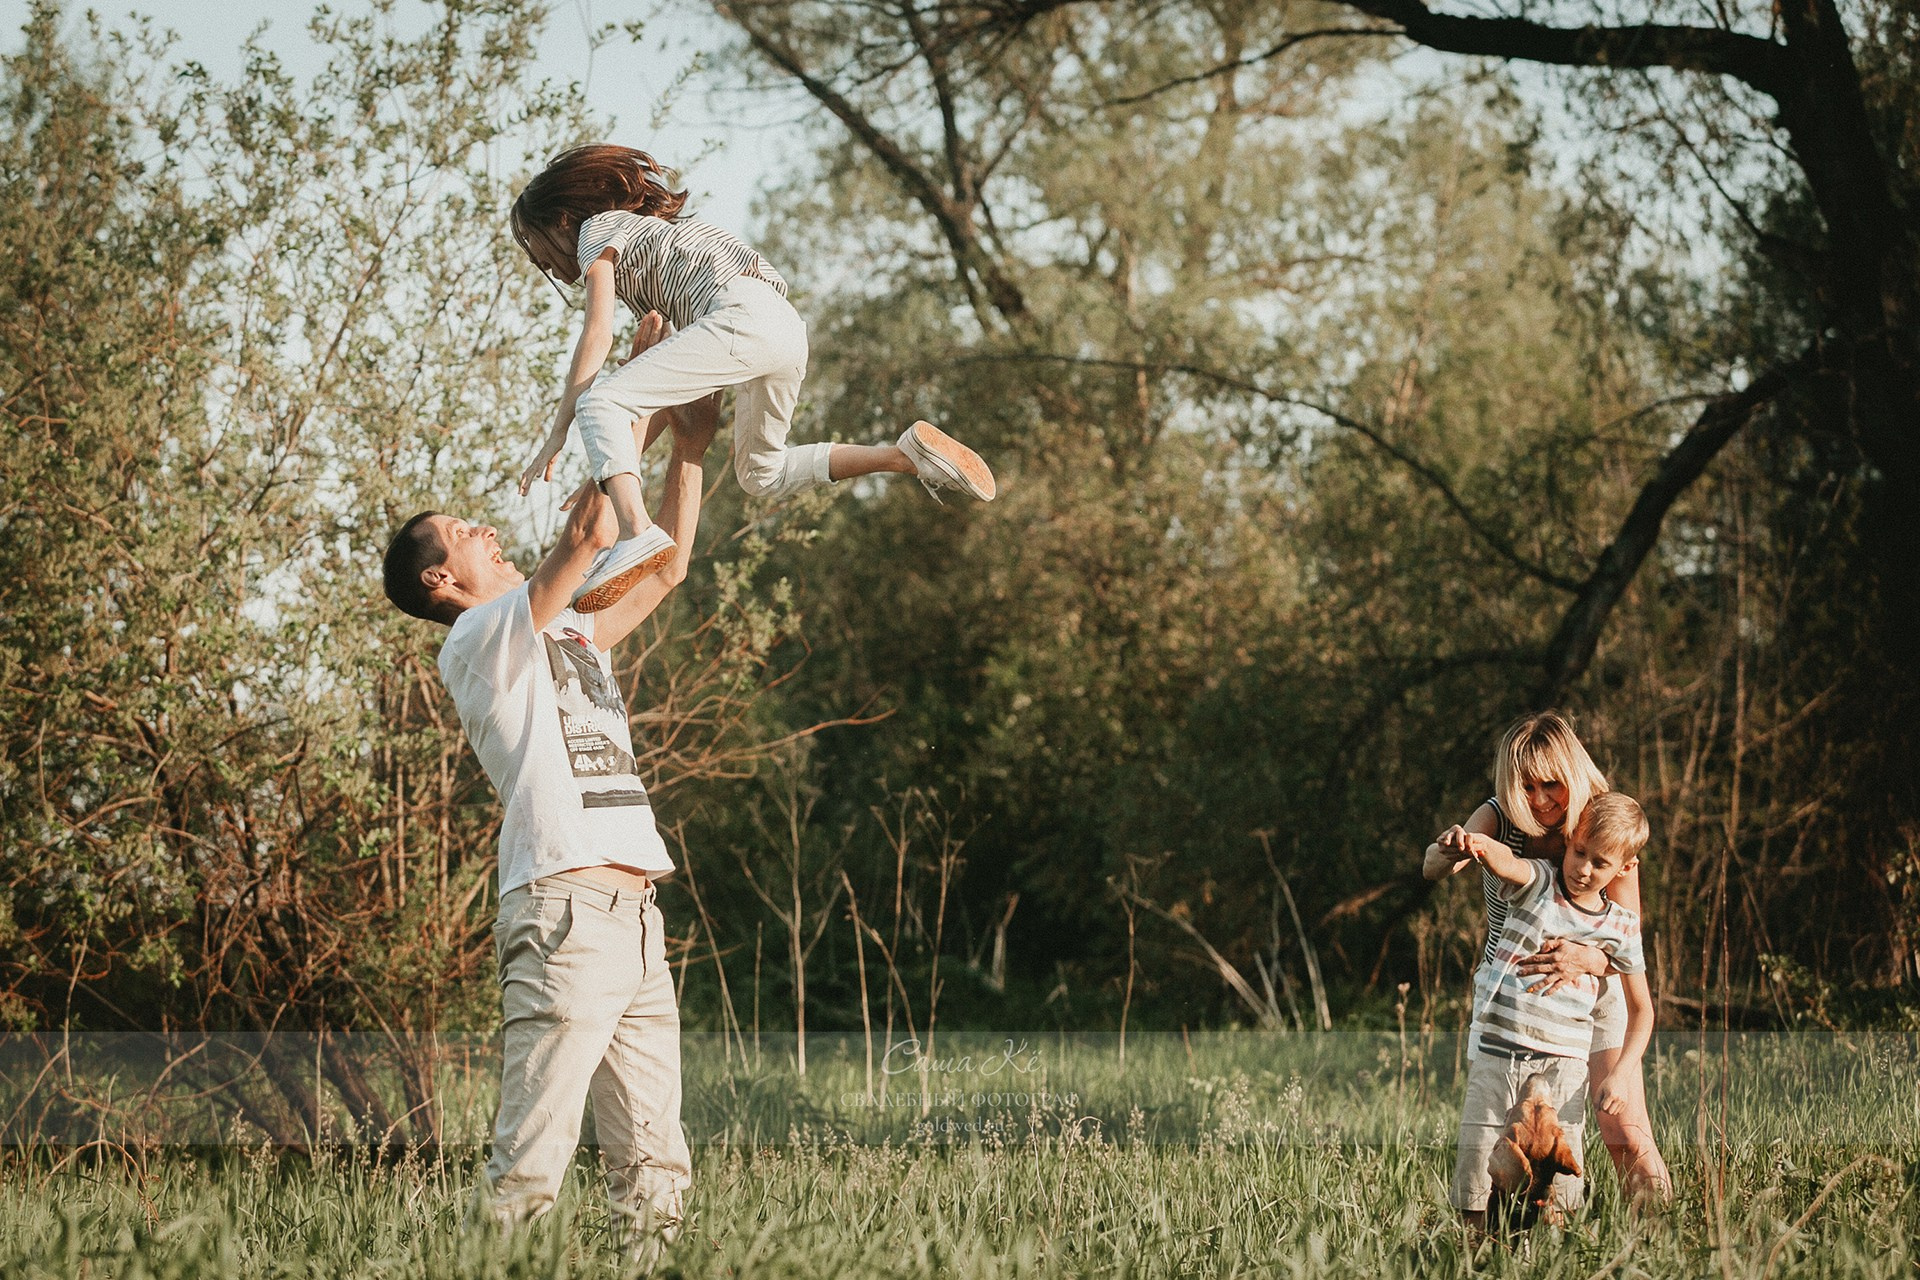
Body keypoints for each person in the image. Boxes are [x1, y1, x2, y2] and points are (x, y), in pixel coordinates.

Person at [381, 338, 716, 1255]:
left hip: (635, 912)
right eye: (464, 535)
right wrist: (634, 391)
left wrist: (689, 443)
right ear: (440, 581)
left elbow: (667, 565)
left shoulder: (565, 628)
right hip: (565, 912)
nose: (485, 530)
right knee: (532, 1164)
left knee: (654, 1162)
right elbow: (589, 535)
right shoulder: (480, 640)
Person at [509, 143, 996, 613]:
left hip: (740, 315)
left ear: (561, 220)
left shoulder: (597, 229)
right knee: (762, 473)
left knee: (599, 402)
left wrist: (559, 435)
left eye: (531, 243)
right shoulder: (654, 255)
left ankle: (638, 536)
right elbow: (655, 397)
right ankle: (903, 455)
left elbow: (595, 335)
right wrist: (612, 468)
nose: (538, 261)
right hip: (782, 326)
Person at [1423, 712, 1672, 1203]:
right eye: (1526, 785)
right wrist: (1450, 847)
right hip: (1514, 1000)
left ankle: (1664, 1238)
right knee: (1501, 1135)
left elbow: (1625, 942)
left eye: (1551, 784)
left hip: (1591, 997)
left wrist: (1582, 958)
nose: (1538, 799)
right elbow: (1432, 867)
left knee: (1619, 1126)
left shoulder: (1599, 824)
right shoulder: (1499, 816)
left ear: (1572, 775)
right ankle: (1511, 1243)